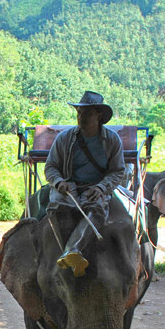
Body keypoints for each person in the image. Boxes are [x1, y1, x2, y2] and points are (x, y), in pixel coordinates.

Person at [44, 91, 128, 277]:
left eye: (87, 114)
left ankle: (72, 251)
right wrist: (59, 183)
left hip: (96, 189)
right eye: (79, 113)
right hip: (69, 188)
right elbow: (51, 167)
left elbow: (117, 171)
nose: (81, 118)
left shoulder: (112, 140)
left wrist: (101, 187)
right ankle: (62, 256)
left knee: (96, 210)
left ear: (98, 116)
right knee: (57, 209)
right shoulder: (64, 138)